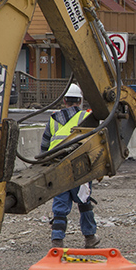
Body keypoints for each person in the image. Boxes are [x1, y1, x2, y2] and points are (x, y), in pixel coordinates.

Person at [41, 84, 100, 249]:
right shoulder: (85, 117)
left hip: (57, 167)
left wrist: (45, 165)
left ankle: (57, 241)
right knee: (84, 202)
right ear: (80, 101)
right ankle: (90, 238)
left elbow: (44, 145)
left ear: (65, 100)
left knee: (60, 206)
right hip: (79, 167)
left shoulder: (53, 119)